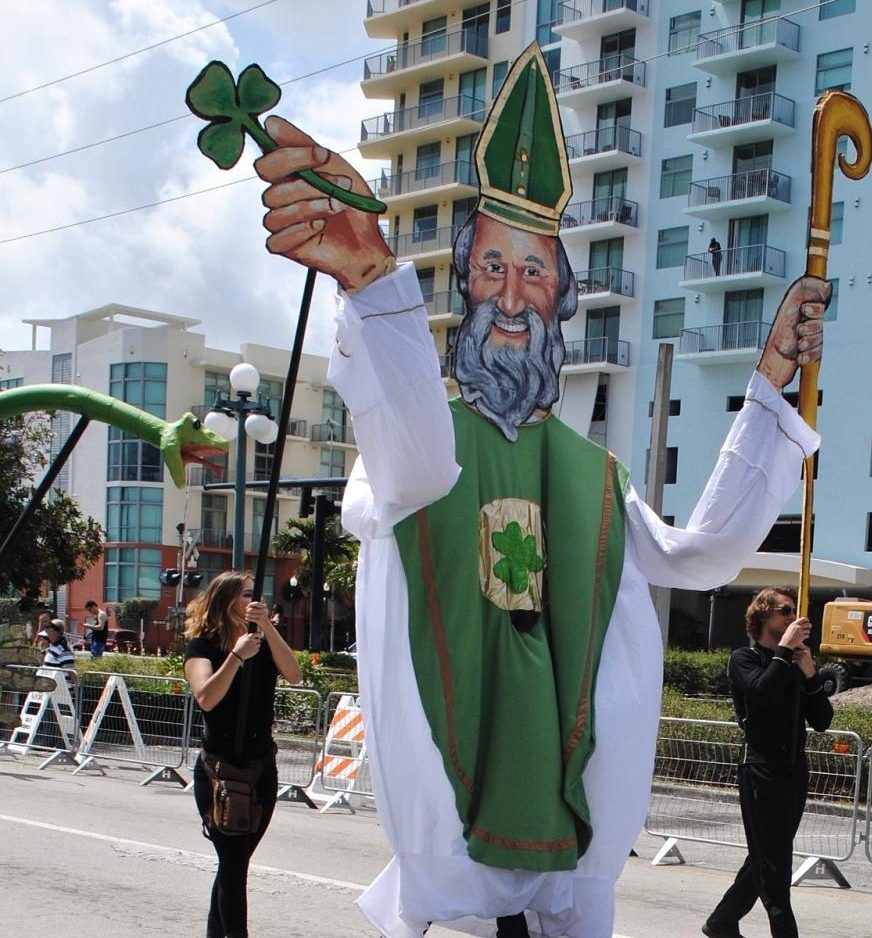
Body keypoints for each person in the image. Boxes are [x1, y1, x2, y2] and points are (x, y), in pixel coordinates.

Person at [251, 42, 826, 938]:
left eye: (534, 273)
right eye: (492, 270)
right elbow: (413, 472)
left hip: (570, 864)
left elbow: (700, 555)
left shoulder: (589, 473)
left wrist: (771, 386)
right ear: (464, 282)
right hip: (457, 866)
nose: (512, 298)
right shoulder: (424, 435)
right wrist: (372, 287)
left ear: (560, 296)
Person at [703, 588, 833, 938]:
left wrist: (810, 676)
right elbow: (760, 694)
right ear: (763, 616)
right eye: (785, 610)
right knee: (776, 867)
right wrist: (784, 650)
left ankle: (722, 922)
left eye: (794, 611)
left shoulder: (791, 663)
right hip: (761, 770)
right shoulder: (744, 659)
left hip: (794, 771)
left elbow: (822, 719)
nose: (793, 617)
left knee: (766, 855)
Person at [184, 571, 302, 938]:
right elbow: (206, 697)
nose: (254, 601)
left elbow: (294, 674)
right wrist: (236, 656)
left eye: (257, 595)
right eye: (246, 595)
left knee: (233, 866)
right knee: (234, 869)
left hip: (260, 768)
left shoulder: (262, 641)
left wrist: (266, 627)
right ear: (225, 600)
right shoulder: (202, 646)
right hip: (220, 771)